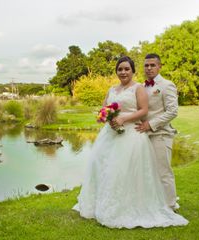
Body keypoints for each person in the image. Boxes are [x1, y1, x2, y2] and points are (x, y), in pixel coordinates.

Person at [73, 56, 188, 229]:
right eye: (120, 69)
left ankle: (168, 206)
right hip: (112, 135)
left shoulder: (145, 87)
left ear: (133, 71)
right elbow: (104, 109)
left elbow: (146, 110)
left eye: (127, 69)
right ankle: (108, 203)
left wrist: (126, 119)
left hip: (147, 133)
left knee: (160, 172)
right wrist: (105, 117)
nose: (123, 72)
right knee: (109, 169)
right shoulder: (113, 88)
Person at [135, 53, 179, 211]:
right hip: (143, 136)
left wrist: (151, 124)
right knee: (147, 172)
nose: (149, 68)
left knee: (163, 171)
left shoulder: (167, 85)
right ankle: (154, 201)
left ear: (159, 66)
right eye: (146, 65)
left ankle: (170, 206)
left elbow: (173, 111)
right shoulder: (140, 86)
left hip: (160, 135)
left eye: (152, 65)